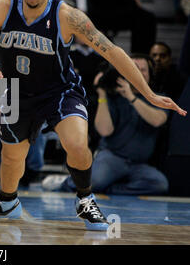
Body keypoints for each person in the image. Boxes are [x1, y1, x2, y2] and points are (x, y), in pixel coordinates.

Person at [0, 0, 186, 231]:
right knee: (11, 157)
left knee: (77, 144)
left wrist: (147, 93)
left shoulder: (67, 15)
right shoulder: (2, 8)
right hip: (19, 92)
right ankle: (7, 202)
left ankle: (85, 199)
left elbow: (112, 52)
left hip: (60, 91)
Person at [56, 54, 170, 195]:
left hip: (139, 164)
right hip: (112, 157)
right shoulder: (113, 97)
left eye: (143, 70)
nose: (139, 73)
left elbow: (157, 120)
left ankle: (110, 188)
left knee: (159, 184)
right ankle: (67, 181)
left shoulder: (159, 97)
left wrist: (131, 97)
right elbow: (104, 131)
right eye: (134, 69)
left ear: (150, 74)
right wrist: (102, 94)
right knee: (94, 182)